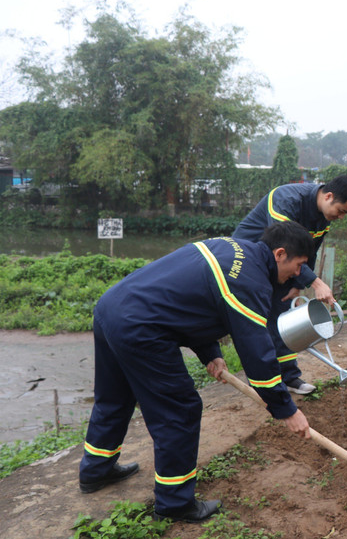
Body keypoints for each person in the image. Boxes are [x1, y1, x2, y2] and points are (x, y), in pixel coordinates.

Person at [78, 221, 316, 523]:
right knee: (179, 409)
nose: (298, 275)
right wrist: (286, 409)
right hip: (141, 327)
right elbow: (258, 357)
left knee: (115, 396)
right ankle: (174, 502)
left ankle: (95, 470)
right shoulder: (250, 280)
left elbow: (194, 300)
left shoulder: (230, 247)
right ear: (280, 254)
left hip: (112, 308)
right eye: (299, 265)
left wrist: (212, 353)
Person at [233, 175, 347, 395]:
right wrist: (315, 282)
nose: (340, 217)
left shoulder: (323, 217)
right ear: (329, 196)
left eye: (345, 214)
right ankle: (261, 381)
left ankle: (289, 378)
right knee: (256, 323)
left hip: (282, 266)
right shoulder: (285, 200)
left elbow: (307, 252)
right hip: (248, 263)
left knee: (283, 321)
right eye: (341, 210)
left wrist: (298, 284)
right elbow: (283, 244)